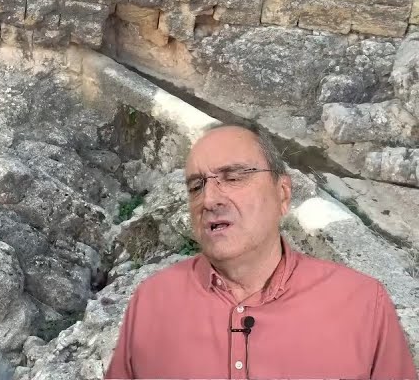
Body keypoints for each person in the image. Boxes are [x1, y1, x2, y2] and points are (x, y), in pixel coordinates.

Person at [105, 125, 417, 379]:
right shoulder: (151, 302)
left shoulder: (363, 304)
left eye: (234, 177)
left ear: (282, 194)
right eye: (196, 186)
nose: (210, 199)